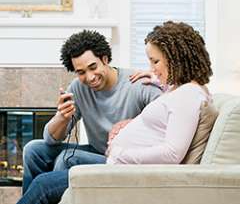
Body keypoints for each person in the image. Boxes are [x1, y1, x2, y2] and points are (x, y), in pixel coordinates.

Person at [17, 30, 161, 204]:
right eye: (81, 72)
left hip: (123, 159)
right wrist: (62, 117)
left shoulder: (138, 84)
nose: (90, 77)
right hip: (96, 151)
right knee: (33, 149)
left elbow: (168, 118)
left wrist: (160, 82)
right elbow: (50, 140)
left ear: (105, 59)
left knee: (66, 158)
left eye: (93, 67)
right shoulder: (78, 87)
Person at [106, 21, 213, 164]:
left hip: (125, 170)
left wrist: (119, 153)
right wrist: (160, 82)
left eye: (155, 61)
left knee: (70, 164)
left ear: (176, 60)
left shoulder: (188, 95)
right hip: (120, 168)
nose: (151, 68)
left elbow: (172, 154)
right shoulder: (181, 90)